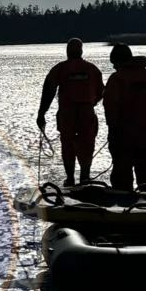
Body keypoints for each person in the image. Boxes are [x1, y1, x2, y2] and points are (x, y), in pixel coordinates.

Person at [36, 38, 104, 186]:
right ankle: (85, 177)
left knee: (68, 145)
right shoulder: (92, 69)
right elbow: (101, 93)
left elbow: (48, 91)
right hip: (87, 112)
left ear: (67, 51)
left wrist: (41, 113)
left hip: (67, 113)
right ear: (81, 51)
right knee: (87, 144)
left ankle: (70, 178)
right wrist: (89, 103)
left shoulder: (60, 69)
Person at [103, 43, 146, 192]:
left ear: (117, 61)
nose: (114, 68)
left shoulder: (117, 79)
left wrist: (113, 129)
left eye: (114, 64)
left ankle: (123, 207)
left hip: (124, 135)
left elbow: (110, 106)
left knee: (121, 176)